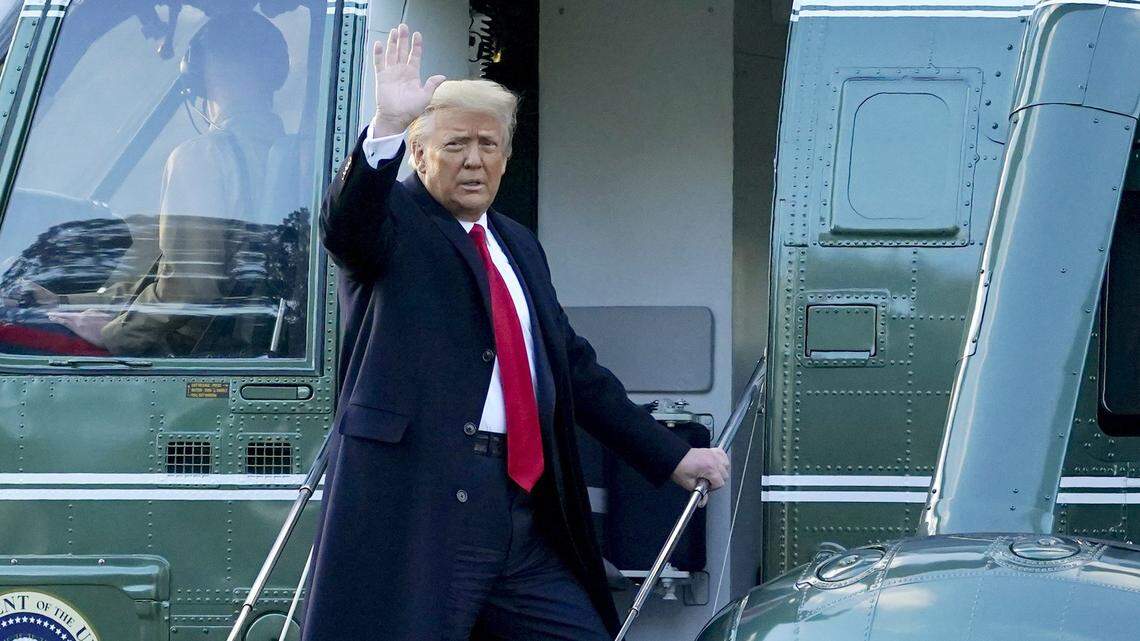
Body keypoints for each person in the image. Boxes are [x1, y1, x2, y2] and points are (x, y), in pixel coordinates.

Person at [303, 24, 731, 641]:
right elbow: (346, 226)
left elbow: (573, 368)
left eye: (489, 144)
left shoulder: (518, 244)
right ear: (420, 156)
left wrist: (671, 456)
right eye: (454, 145)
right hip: (422, 507)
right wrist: (387, 128)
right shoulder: (393, 221)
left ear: (507, 157)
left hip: (519, 512)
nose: (474, 159)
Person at [46, 10, 288, 357]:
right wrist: (64, 302)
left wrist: (116, 334)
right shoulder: (298, 155)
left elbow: (190, 288)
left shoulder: (202, 156)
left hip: (199, 354)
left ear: (201, 71)